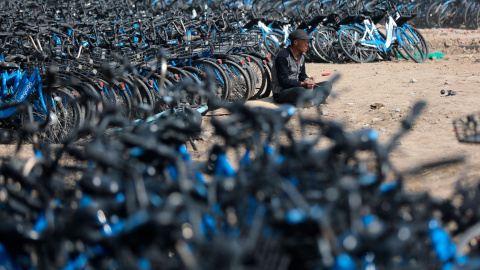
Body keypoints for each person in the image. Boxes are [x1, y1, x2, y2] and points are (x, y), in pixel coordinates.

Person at [271, 29, 332, 106]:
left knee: (327, 85)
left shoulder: (301, 56)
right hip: (282, 92)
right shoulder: (283, 56)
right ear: (295, 42)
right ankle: (316, 99)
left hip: (299, 87)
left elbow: (302, 75)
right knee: (300, 91)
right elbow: (283, 81)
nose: (307, 44)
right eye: (304, 42)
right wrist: (303, 84)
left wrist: (308, 80)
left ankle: (311, 100)